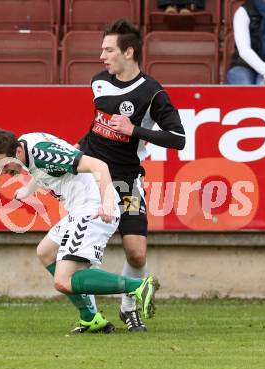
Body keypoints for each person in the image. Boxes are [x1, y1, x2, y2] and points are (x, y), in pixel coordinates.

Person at [0, 128, 159, 333]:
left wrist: (107, 203)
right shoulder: (24, 144)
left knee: (64, 281)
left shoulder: (41, 153)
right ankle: (91, 318)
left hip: (92, 209)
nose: (4, 172)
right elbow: (41, 170)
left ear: (18, 152)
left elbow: (98, 165)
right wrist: (27, 191)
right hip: (79, 209)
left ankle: (137, 286)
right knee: (46, 252)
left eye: (4, 165)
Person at [76, 19, 185, 332]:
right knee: (83, 253)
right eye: (102, 49)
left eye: (108, 49)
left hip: (126, 182)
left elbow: (179, 138)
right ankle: (89, 317)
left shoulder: (152, 93)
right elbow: (97, 127)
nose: (102, 55)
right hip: (92, 180)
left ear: (128, 51)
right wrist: (79, 149)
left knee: (137, 254)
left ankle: (127, 307)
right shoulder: (99, 82)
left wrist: (135, 130)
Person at [227, 0, 265, 85]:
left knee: (263, 87)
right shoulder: (243, 11)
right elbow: (244, 50)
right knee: (244, 87)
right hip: (243, 64)